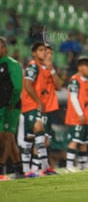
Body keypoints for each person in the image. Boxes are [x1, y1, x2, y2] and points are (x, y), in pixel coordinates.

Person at [20, 42, 56, 176]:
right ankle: (43, 167)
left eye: (44, 50)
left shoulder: (41, 67)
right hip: (31, 105)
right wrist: (39, 101)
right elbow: (28, 85)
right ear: (34, 53)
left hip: (33, 105)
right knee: (38, 132)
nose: (43, 53)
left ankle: (28, 170)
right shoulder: (33, 66)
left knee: (31, 138)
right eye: (40, 50)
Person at [0, 37, 25, 180]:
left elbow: (17, 87)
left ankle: (1, 170)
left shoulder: (12, 65)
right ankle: (19, 170)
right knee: (7, 138)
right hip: (1, 107)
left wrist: (12, 103)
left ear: (5, 48)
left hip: (10, 107)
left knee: (6, 137)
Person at [65, 56, 88, 173]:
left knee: (83, 142)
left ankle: (83, 166)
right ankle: (69, 166)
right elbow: (73, 98)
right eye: (87, 66)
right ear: (80, 67)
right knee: (75, 140)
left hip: (86, 117)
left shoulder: (87, 81)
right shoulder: (74, 80)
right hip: (76, 117)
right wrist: (80, 113)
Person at [43, 44, 63, 170]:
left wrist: (52, 70)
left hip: (50, 108)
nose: (48, 55)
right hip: (39, 108)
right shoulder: (36, 68)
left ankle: (46, 167)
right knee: (38, 138)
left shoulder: (51, 70)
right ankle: (32, 168)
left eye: (50, 53)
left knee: (46, 140)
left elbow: (59, 85)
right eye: (46, 52)